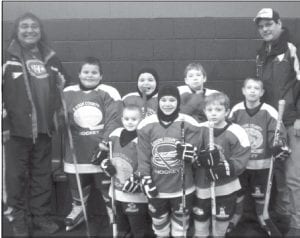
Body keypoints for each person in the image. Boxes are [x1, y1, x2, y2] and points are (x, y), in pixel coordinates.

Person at [2, 12, 68, 236]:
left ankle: (41, 218)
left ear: (41, 31)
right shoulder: (6, 57)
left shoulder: (50, 57)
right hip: (15, 132)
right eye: (25, 26)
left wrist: (59, 114)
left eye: (34, 27)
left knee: (42, 177)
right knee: (15, 179)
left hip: (44, 131)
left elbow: (62, 86)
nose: (30, 30)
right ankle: (18, 220)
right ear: (16, 30)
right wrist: (3, 125)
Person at [62, 57, 122, 232]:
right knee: (78, 184)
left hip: (100, 150)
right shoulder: (67, 92)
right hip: (76, 151)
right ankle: (78, 208)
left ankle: (112, 209)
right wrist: (60, 115)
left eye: (94, 72)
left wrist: (105, 142)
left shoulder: (108, 92)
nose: (90, 75)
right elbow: (57, 118)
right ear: (79, 74)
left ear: (101, 75)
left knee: (105, 184)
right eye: (86, 72)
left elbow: (114, 118)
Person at [254, 8, 300, 236]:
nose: (265, 29)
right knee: (278, 175)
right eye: (261, 26)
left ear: (279, 23)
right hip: (272, 124)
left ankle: (296, 226)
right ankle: (283, 220)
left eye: (269, 24)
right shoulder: (261, 53)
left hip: (292, 121)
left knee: (293, 178)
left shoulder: (293, 48)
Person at [136, 85, 200, 237]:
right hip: (157, 187)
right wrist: (144, 177)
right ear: (158, 102)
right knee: (159, 223)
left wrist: (192, 154)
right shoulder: (146, 124)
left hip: (183, 186)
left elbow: (196, 155)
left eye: (172, 100)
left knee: (180, 226)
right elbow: (143, 156)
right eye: (163, 100)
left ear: (178, 102)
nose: (167, 103)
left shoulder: (189, 122)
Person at [229, 78, 290, 234]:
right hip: (241, 165)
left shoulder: (269, 111)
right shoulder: (236, 110)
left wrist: (277, 144)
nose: (252, 90)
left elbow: (277, 134)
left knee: (260, 195)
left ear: (262, 92)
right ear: (243, 90)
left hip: (262, 166)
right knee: (238, 193)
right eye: (249, 87)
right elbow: (229, 133)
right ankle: (236, 217)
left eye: (256, 88)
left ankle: (263, 217)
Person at [193, 92, 251, 237]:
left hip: (226, 188)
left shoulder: (236, 131)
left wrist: (225, 168)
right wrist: (198, 159)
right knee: (200, 220)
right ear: (204, 111)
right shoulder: (198, 129)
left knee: (222, 220)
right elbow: (191, 152)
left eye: (218, 110)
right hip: (203, 186)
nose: (213, 113)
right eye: (210, 110)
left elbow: (242, 156)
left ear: (227, 111)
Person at [99, 105, 152, 238]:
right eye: (127, 118)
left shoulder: (143, 139)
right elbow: (107, 158)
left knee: (138, 228)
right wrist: (105, 165)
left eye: (134, 119)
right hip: (116, 192)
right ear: (122, 119)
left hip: (135, 193)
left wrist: (138, 179)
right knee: (121, 227)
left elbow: (147, 163)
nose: (130, 122)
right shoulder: (115, 134)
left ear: (141, 119)